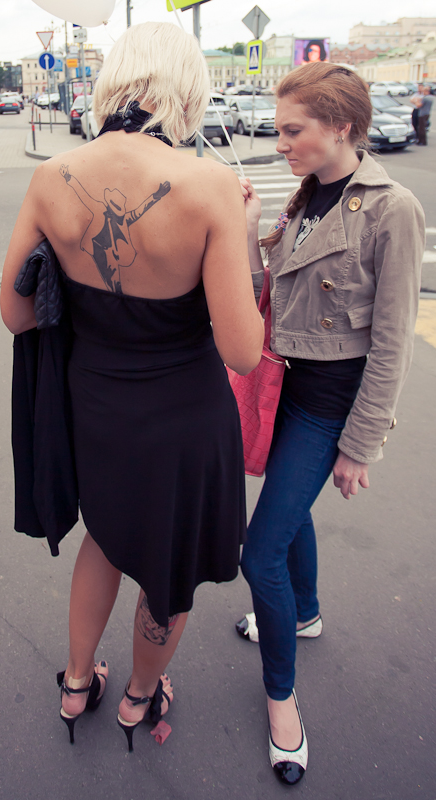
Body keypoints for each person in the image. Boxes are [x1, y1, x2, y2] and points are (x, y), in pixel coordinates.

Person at [0, 21, 263, 753]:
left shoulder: (53, 176)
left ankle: (76, 681)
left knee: (107, 535)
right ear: (188, 87)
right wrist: (243, 232)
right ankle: (140, 696)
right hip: (182, 416)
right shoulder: (208, 185)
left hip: (94, 404)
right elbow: (243, 351)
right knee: (166, 558)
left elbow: (16, 315)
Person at [236, 61, 425, 785]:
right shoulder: (307, 196)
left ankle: (281, 699)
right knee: (291, 515)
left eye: (293, 130)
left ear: (341, 126)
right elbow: (272, 296)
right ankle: (305, 612)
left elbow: (392, 343)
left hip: (328, 406)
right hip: (284, 389)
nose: (280, 143)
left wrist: (360, 444)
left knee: (259, 554)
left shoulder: (391, 209)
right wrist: (250, 232)